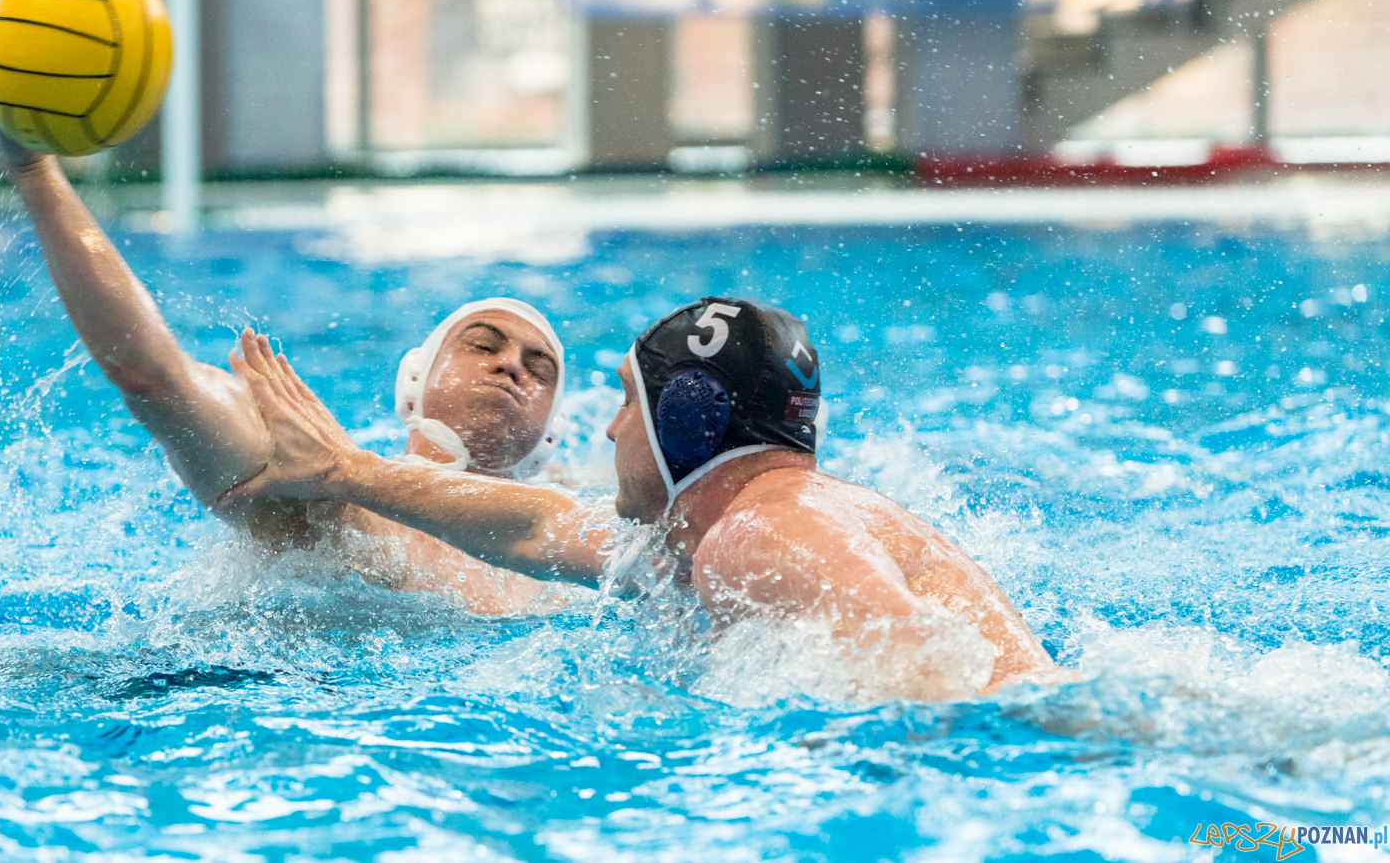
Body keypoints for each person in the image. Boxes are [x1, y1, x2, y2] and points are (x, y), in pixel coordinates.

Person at [222, 298, 1072, 700]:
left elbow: (933, 667)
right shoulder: (715, 529)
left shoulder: (760, 533)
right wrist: (342, 470)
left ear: (684, 420)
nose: (608, 430)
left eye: (629, 400)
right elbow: (533, 526)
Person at [0, 116, 569, 615]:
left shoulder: (575, 537)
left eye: (539, 368)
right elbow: (154, 378)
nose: (512, 365)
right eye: (483, 344)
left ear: (552, 432)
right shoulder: (325, 493)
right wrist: (34, 171)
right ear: (412, 383)